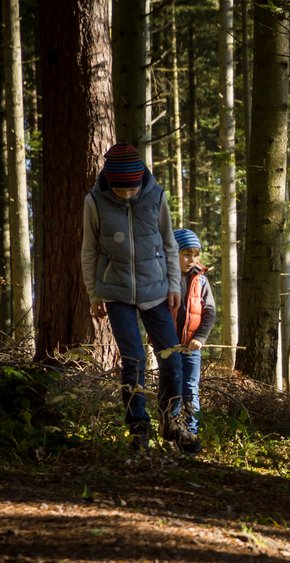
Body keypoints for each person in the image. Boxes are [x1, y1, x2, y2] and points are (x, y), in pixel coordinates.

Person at [81, 142, 201, 454]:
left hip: (158, 292)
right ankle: (138, 429)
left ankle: (172, 422)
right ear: (110, 181)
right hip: (117, 293)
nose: (127, 194)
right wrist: (94, 293)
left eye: (131, 188)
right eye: (120, 189)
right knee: (133, 361)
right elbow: (90, 250)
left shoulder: (156, 197)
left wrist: (175, 286)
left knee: (172, 361)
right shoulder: (95, 201)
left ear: (140, 180)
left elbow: (169, 244)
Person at [172, 229, 217, 436]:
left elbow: (209, 312)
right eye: (186, 254)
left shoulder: (201, 280)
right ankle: (171, 431)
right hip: (168, 345)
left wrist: (200, 338)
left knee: (190, 389)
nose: (191, 260)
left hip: (191, 346)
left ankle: (191, 433)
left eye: (194, 255)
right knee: (171, 387)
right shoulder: (164, 277)